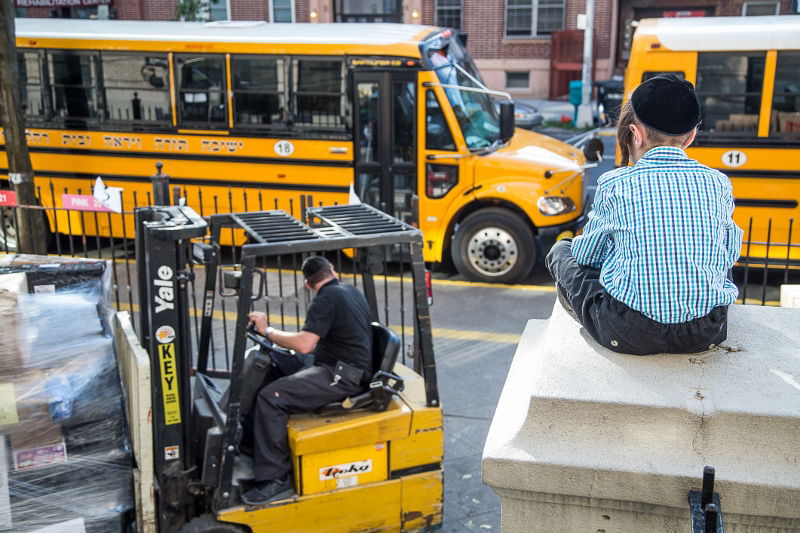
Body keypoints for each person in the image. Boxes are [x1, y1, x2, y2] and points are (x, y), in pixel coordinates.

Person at [546, 74, 743, 355]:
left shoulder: (616, 184)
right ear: (691, 137)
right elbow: (729, 254)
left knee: (561, 251)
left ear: (635, 134)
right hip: (705, 332)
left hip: (630, 333)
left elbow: (587, 257)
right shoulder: (719, 183)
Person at [241, 256, 373, 505]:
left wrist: (267, 331)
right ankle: (252, 442)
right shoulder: (349, 291)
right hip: (332, 362)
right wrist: (271, 340)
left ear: (308, 284)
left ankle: (275, 478)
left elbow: (304, 344)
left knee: (271, 397)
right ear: (332, 270)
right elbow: (310, 343)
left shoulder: (325, 300)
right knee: (273, 362)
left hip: (342, 375)